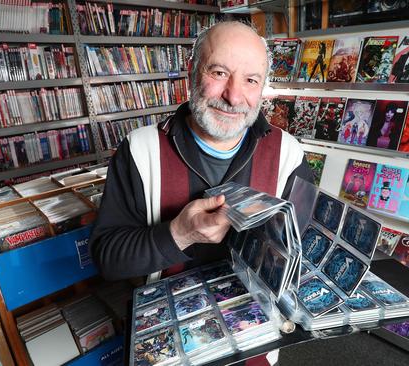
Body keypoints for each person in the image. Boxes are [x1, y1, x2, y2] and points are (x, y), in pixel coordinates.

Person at [90, 21, 314, 281]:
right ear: (191, 71)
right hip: (168, 311)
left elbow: (306, 249)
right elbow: (107, 260)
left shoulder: (288, 154)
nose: (233, 96)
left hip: (260, 313)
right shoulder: (139, 151)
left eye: (251, 80)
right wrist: (179, 233)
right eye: (219, 73)